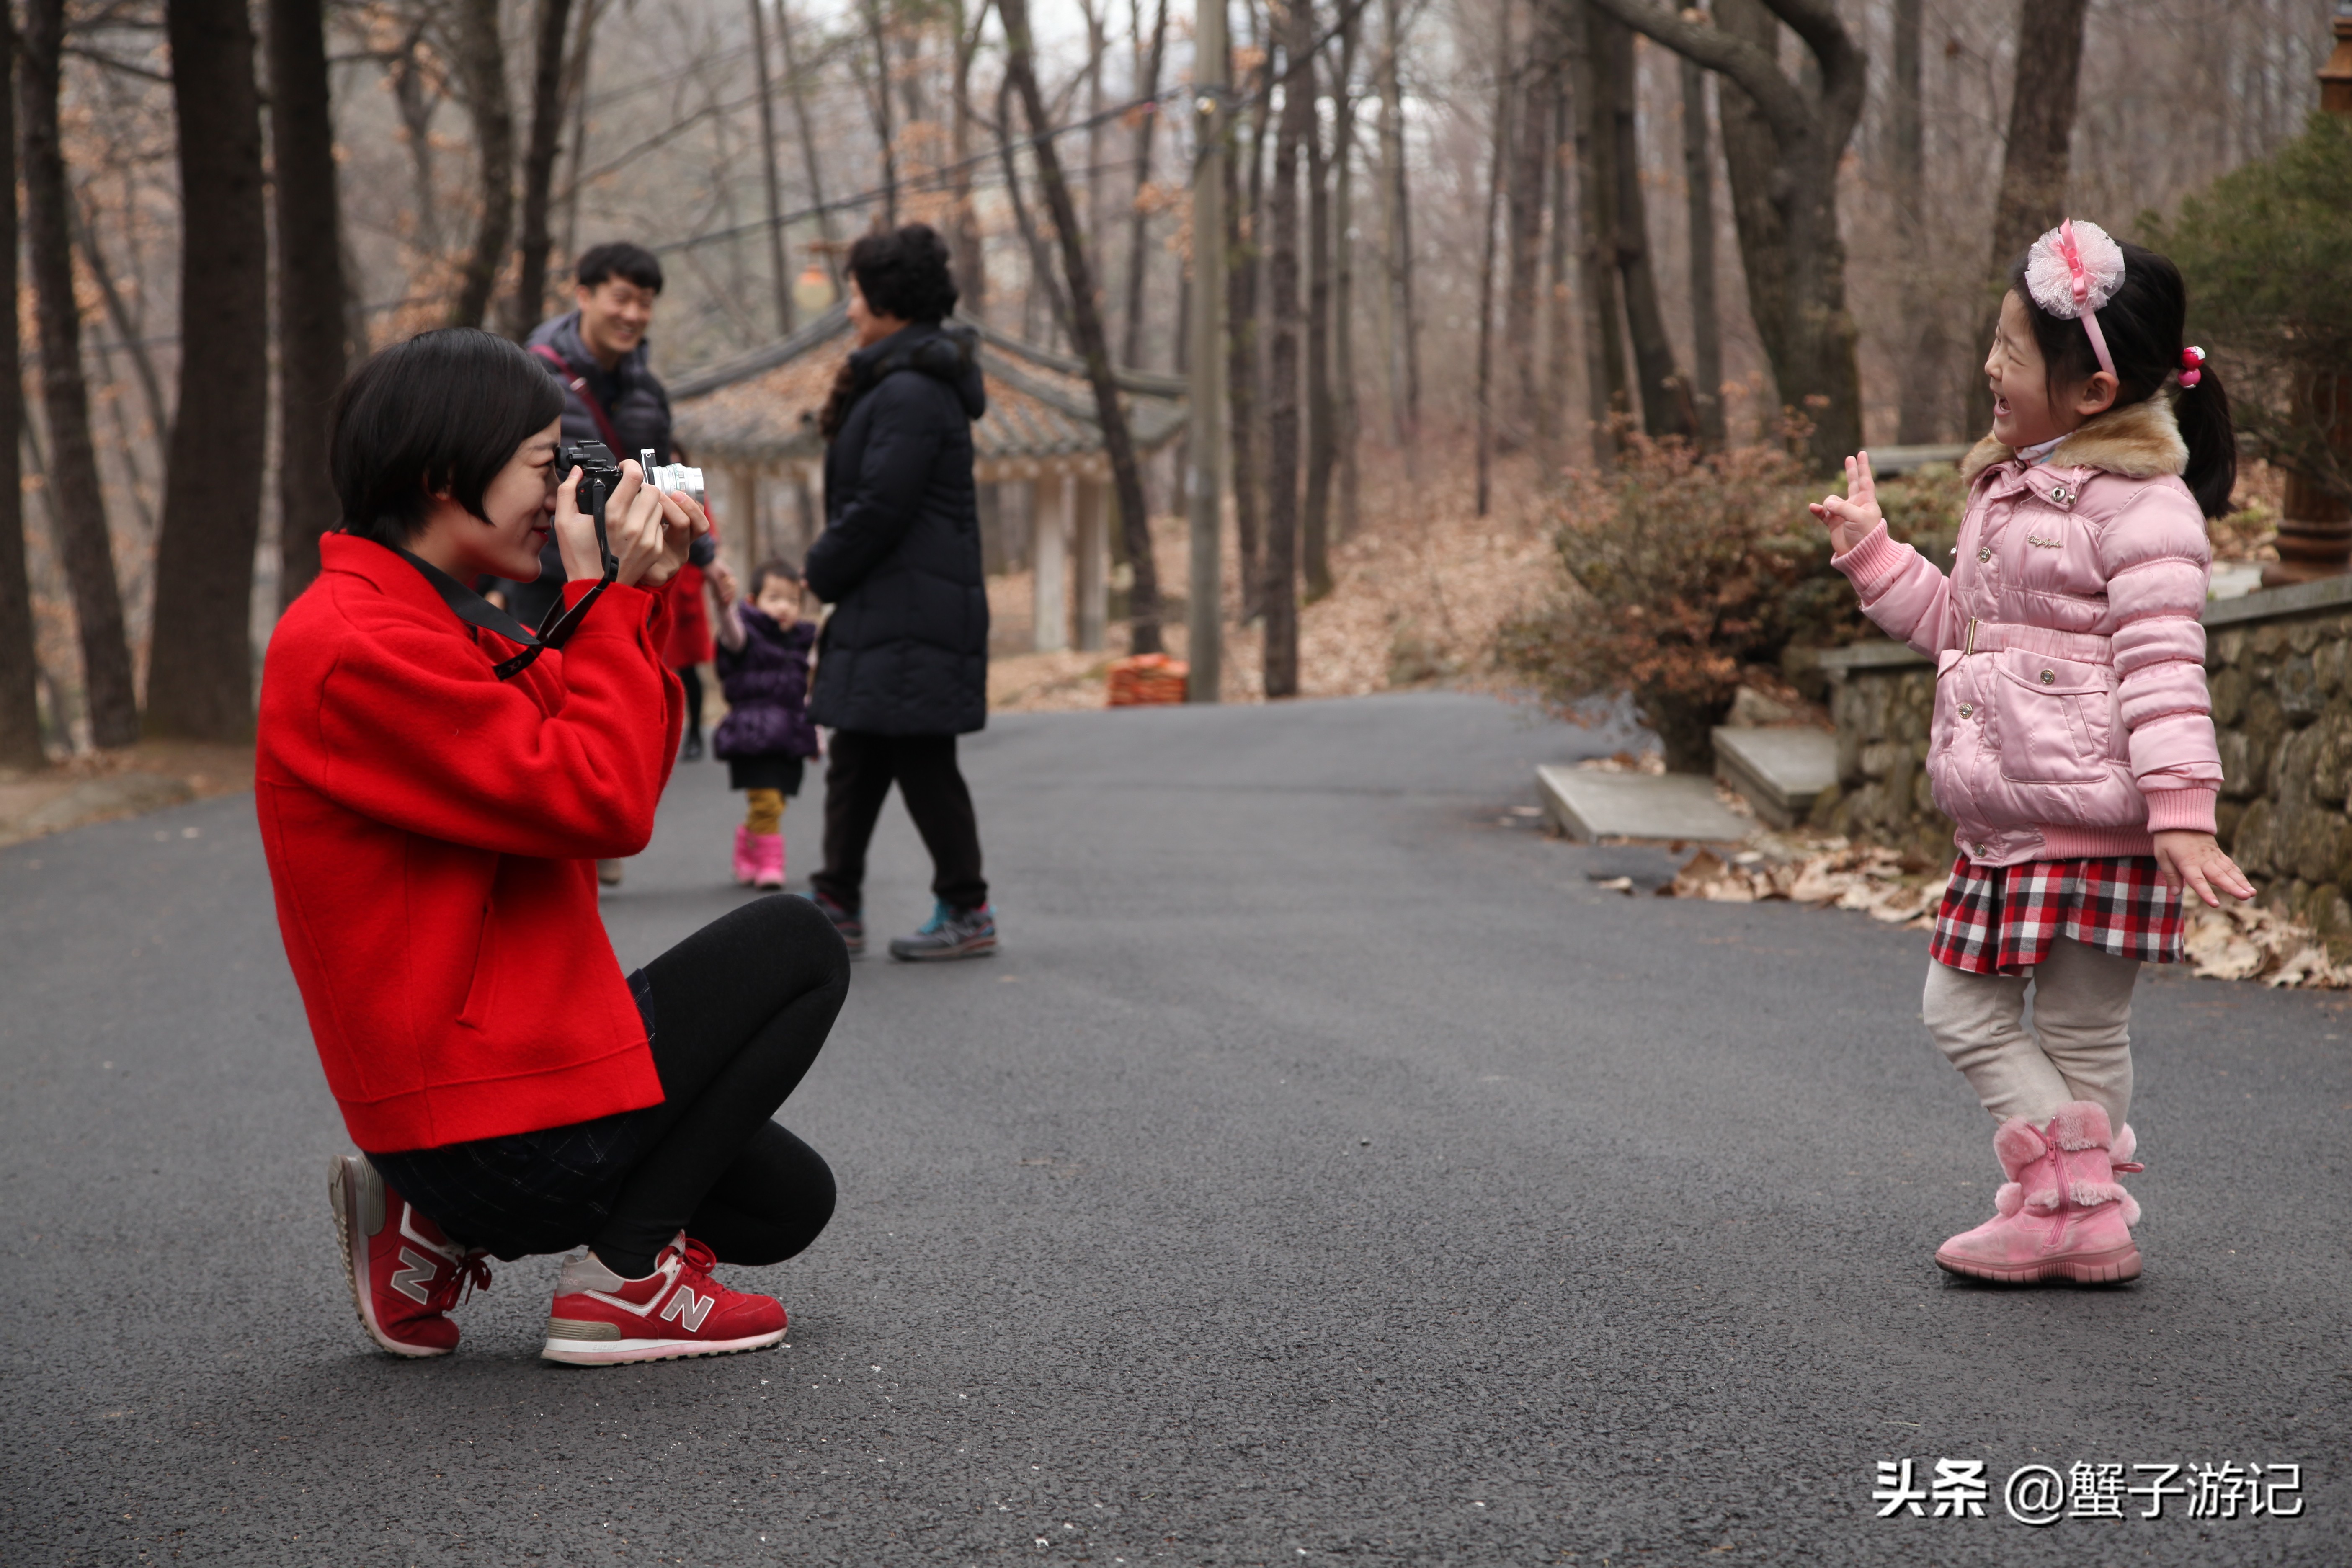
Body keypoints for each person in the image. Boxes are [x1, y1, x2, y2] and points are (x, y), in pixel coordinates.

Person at [256, 327, 849, 1365]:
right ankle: (621, 1281)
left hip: (490, 1103)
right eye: (545, 465)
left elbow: (608, 755)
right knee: (796, 942)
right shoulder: (356, 648)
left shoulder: (432, 620)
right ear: (446, 474)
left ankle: (435, 1225)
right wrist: (610, 596)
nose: (563, 493)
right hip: (488, 1116)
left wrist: (638, 590)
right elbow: (604, 802)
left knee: (785, 1201)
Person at [1811, 221, 2252, 1286]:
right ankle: (2076, 1200)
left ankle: (2072, 1201)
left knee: (2030, 1018)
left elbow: (2162, 666)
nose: (1990, 368)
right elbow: (1962, 627)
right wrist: (1875, 554)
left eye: (2011, 349)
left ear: (2092, 392)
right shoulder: (2008, 489)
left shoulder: (2144, 510)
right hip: (2005, 816)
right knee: (2016, 1016)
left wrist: (2181, 807)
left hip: (2090, 817)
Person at [802, 222, 997, 962]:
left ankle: (968, 905)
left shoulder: (911, 390)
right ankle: (836, 899)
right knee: (858, 749)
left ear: (886, 298)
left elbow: (881, 505)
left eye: (855, 292)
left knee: (918, 755)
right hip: (896, 604)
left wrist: (818, 571)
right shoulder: (899, 379)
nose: (849, 308)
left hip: (910, 604)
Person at [512, 240, 700, 881]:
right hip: (546, 571)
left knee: (622, 684)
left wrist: (707, 550)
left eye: (645, 303)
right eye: (623, 297)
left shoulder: (648, 387)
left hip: (626, 567)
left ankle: (604, 812)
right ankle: (567, 825)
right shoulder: (535, 378)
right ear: (584, 293)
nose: (634, 314)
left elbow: (667, 469)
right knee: (551, 691)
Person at [709, 557, 822, 891]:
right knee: (768, 802)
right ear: (753, 602)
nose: (784, 607)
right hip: (754, 735)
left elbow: (804, 696)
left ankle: (747, 845)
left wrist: (816, 735)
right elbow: (730, 633)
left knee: (777, 802)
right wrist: (722, 606)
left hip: (789, 736)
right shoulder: (747, 639)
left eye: (792, 600)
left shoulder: (801, 646)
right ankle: (770, 865)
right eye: (774, 598)